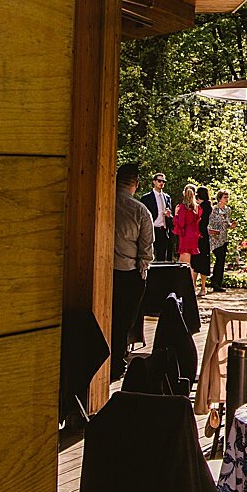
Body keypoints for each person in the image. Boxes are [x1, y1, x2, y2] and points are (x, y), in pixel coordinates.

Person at [111, 163, 156, 381]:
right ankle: (117, 359)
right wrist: (142, 271)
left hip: (104, 272)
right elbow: (146, 250)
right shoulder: (139, 211)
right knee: (123, 321)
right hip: (128, 272)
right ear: (136, 183)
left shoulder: (101, 203)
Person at [140, 173, 174, 263]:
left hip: (163, 230)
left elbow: (170, 216)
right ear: (154, 182)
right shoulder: (146, 198)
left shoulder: (167, 197)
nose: (161, 183)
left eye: (163, 181)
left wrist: (169, 216)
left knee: (162, 257)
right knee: (148, 255)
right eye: (159, 181)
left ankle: (160, 276)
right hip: (151, 229)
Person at [172, 183, 203, 282]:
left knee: (184, 263)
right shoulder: (197, 207)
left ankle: (186, 285)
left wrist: (175, 215)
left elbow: (180, 223)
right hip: (194, 234)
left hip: (185, 235)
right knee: (188, 262)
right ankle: (191, 284)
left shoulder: (182, 207)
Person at [207, 189, 234, 291]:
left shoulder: (228, 210)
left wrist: (232, 225)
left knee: (221, 260)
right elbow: (210, 223)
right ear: (220, 198)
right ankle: (214, 281)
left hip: (223, 238)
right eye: (225, 197)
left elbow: (227, 223)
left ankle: (217, 282)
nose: (226, 199)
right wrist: (213, 231)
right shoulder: (214, 209)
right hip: (214, 238)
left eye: (227, 197)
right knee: (218, 258)